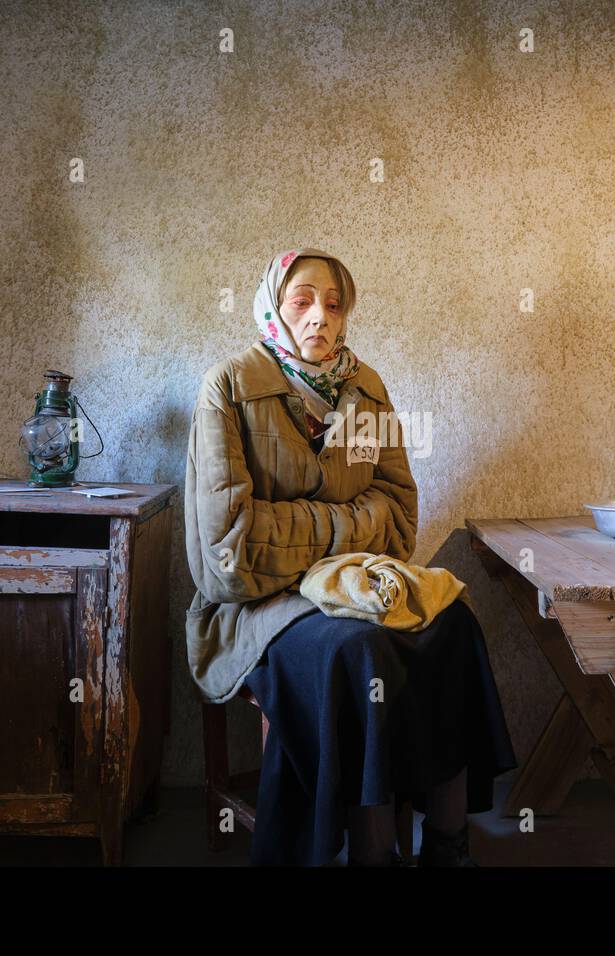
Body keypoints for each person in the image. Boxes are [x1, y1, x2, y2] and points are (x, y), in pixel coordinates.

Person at [183, 246, 516, 866]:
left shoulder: (365, 388)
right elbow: (229, 549)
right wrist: (348, 527)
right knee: (359, 654)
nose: (320, 319)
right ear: (274, 307)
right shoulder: (228, 387)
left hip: (355, 586)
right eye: (302, 302)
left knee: (454, 624)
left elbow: (400, 523)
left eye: (333, 306)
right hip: (259, 605)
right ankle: (375, 854)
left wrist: (297, 529)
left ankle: (447, 848)